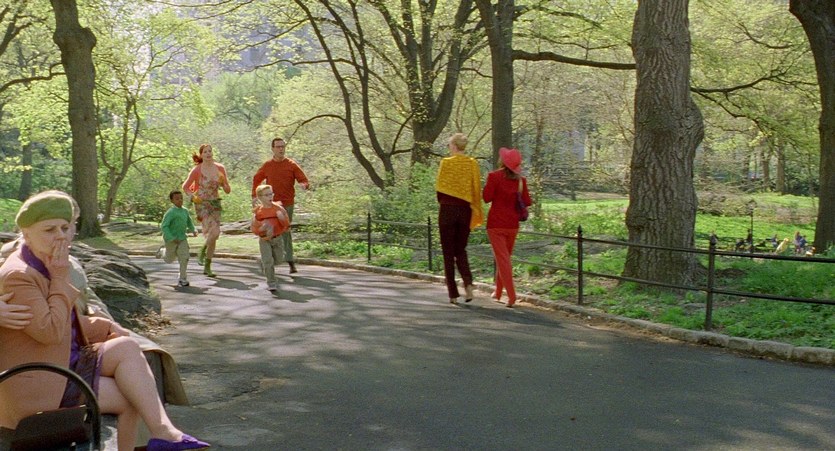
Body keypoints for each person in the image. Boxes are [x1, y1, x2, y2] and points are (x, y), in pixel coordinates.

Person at [0, 191, 209, 451]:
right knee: (131, 396)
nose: (61, 236)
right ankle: (161, 434)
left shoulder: (44, 262)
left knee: (127, 346)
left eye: (65, 227)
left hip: (59, 362)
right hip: (36, 383)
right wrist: (60, 278)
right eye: (49, 230)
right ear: (26, 234)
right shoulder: (19, 274)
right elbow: (50, 331)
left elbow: (60, 322)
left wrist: (107, 326)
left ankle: (164, 433)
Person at [435, 133, 483, 304]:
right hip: (465, 211)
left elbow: (439, 189)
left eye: (449, 145)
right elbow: (476, 188)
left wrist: (446, 201)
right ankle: (468, 284)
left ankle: (453, 294)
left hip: (447, 210)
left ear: (454, 146)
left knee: (448, 252)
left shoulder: (446, 163)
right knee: (461, 249)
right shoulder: (472, 163)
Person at [251, 137, 309, 274]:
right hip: (269, 204)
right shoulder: (267, 165)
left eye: (283, 146)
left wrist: (304, 185)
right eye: (278, 147)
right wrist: (254, 196)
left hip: (286, 204)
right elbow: (256, 179)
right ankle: (267, 260)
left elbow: (303, 179)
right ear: (273, 149)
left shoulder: (291, 165)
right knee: (269, 231)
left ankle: (290, 261)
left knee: (285, 230)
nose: (281, 149)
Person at [482, 147, 531, 308]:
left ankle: (511, 295)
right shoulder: (521, 181)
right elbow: (527, 201)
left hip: (496, 224)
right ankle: (497, 291)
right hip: (512, 225)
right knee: (504, 258)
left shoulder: (494, 176)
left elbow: (486, 198)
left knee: (503, 259)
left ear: (502, 161)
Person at [182, 144, 231, 278]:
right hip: (202, 204)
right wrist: (193, 197)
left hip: (215, 203)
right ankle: (202, 253)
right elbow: (185, 187)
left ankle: (207, 265)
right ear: (201, 155)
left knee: (214, 235)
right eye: (205, 152)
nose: (208, 153)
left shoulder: (220, 168)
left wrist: (223, 183)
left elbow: (227, 190)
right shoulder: (197, 170)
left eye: (210, 151)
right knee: (214, 232)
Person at [251, 185, 291, 292]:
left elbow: (287, 225)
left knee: (279, 259)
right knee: (268, 261)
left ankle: (262, 262)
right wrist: (261, 228)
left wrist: (282, 219)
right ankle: (271, 282)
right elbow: (254, 228)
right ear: (260, 197)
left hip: (277, 238)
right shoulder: (258, 211)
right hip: (264, 239)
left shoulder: (278, 208)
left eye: (271, 194)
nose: (270, 196)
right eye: (267, 195)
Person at [157, 190, 198, 287]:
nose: (180, 200)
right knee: (169, 260)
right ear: (172, 201)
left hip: (182, 238)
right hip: (171, 240)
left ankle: (182, 279)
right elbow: (164, 226)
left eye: (181, 198)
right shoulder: (170, 212)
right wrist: (171, 238)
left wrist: (193, 230)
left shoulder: (185, 211)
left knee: (184, 257)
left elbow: (189, 222)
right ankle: (162, 251)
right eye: (177, 199)